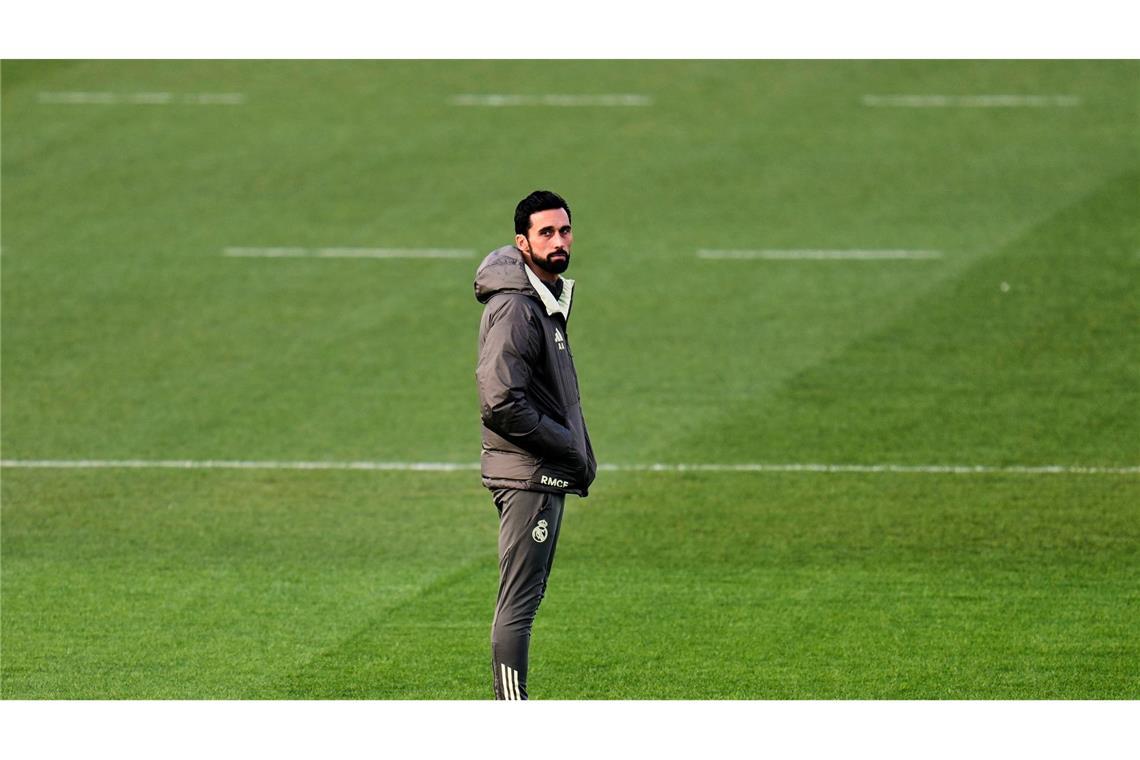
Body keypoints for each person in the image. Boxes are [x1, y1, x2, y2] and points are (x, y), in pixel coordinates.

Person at [473, 189, 597, 700]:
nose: (558, 241)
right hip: (529, 472)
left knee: (529, 595)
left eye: (564, 230)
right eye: (546, 232)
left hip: (542, 468)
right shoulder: (517, 309)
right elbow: (499, 399)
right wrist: (565, 443)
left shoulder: (545, 301)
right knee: (519, 600)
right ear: (522, 242)